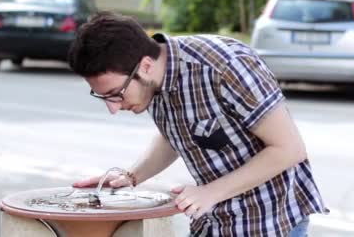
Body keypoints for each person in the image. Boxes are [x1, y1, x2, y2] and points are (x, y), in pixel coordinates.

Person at [68, 12, 327, 236]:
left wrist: (210, 193)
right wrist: (131, 176)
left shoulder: (226, 66)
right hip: (211, 224)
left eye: (116, 94)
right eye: (104, 97)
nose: (113, 108)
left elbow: (290, 149)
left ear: (145, 66)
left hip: (271, 225)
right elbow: (176, 134)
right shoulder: (151, 85)